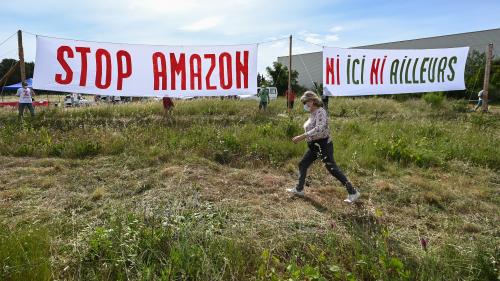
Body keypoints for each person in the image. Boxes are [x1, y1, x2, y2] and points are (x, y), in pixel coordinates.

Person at [287, 91, 360, 203]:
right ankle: (299, 189)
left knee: (332, 169)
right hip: (314, 146)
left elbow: (320, 128)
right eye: (303, 103)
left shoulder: (321, 111)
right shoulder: (312, 113)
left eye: (305, 102)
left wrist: (302, 136)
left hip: (323, 145)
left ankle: (353, 192)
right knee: (303, 164)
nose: (304, 105)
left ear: (312, 101)